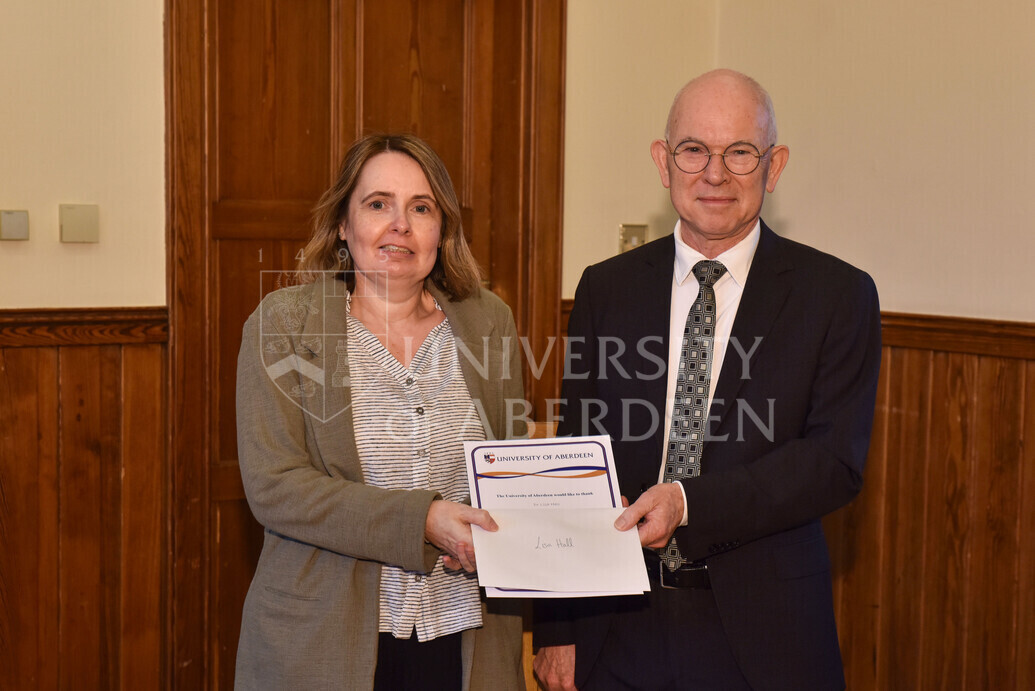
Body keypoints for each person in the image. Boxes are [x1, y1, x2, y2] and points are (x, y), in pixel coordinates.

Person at [533, 69, 881, 690]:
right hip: (617, 628)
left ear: (774, 167)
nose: (714, 174)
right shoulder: (605, 288)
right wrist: (558, 627)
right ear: (662, 162)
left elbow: (832, 463)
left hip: (764, 635)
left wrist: (687, 503)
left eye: (739, 152)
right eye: (694, 150)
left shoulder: (836, 295)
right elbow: (574, 457)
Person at [234, 133, 526, 690]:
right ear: (343, 225)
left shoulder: (489, 321)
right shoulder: (284, 323)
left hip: (464, 633)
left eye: (421, 208)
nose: (400, 226)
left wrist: (563, 516)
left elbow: (508, 468)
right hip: (324, 638)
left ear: (443, 229)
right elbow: (275, 487)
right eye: (377, 204)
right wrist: (423, 521)